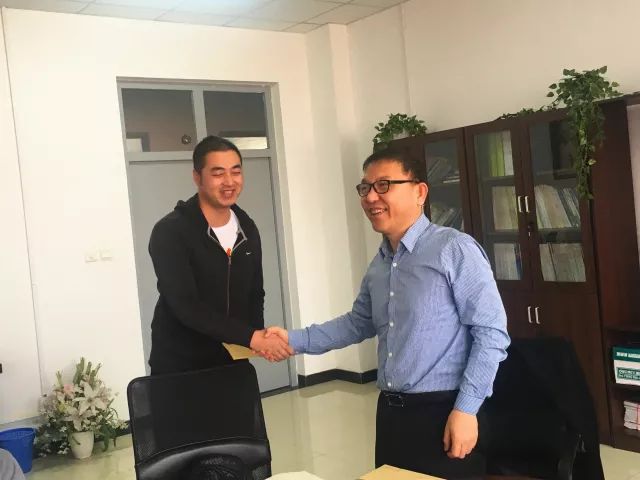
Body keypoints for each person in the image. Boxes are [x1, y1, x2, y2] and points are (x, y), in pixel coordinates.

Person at [265, 148, 510, 478]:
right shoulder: (380, 264)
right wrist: (293, 340)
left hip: (445, 412)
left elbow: (491, 333)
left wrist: (467, 409)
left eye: (384, 185)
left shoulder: (454, 249)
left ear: (420, 192)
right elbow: (357, 323)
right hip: (392, 413)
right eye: (365, 188)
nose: (370, 197)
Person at [148, 135, 292, 375]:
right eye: (218, 173)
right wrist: (252, 337)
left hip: (233, 360)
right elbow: (186, 305)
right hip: (181, 364)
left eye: (236, 172)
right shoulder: (171, 231)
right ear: (197, 177)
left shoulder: (246, 227)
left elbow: (255, 293)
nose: (229, 181)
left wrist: (257, 339)